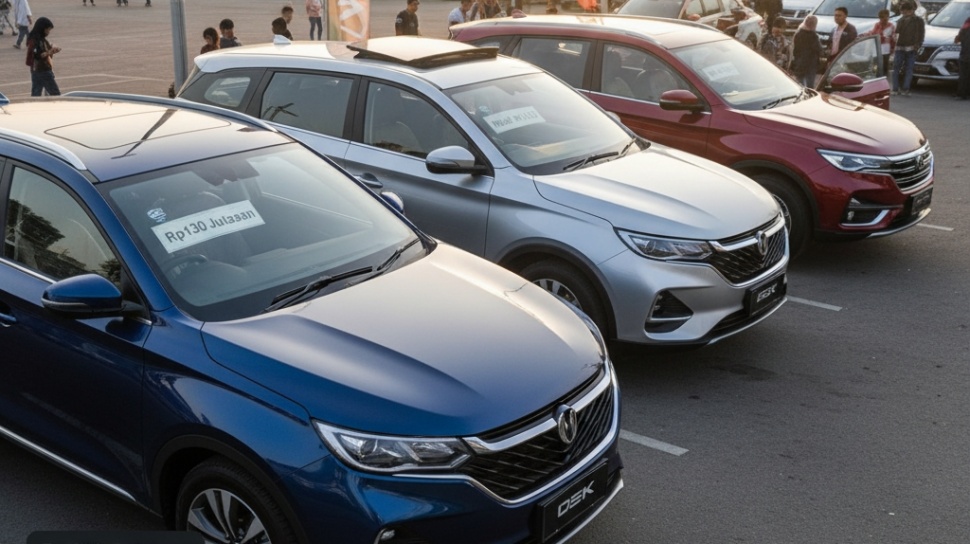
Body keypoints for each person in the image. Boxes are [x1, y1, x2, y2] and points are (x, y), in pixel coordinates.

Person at [892, 1, 924, 96]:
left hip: (911, 48)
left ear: (911, 10)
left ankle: (905, 88)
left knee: (908, 69)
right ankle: (895, 88)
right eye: (903, 11)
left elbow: (921, 34)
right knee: (897, 68)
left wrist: (918, 44)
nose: (904, 13)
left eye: (905, 11)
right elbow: (896, 33)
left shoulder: (918, 21)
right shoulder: (900, 20)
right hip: (900, 47)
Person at [27, 16, 60, 96]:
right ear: (42, 28)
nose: (48, 32)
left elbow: (46, 48)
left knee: (36, 94)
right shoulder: (36, 40)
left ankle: (35, 104)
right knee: (55, 93)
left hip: (36, 70)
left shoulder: (39, 39)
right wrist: (50, 52)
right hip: (42, 70)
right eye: (48, 29)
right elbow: (38, 55)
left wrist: (52, 49)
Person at [791, 14, 822, 88]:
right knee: (810, 85)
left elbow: (795, 49)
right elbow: (818, 49)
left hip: (800, 62)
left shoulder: (798, 34)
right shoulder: (814, 36)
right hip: (811, 63)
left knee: (800, 84)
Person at [863, 9, 895, 76]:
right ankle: (877, 76)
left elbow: (893, 38)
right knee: (876, 64)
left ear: (888, 17)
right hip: (877, 48)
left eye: (886, 17)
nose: (884, 19)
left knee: (885, 65)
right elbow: (873, 33)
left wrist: (892, 48)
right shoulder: (877, 25)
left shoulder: (891, 26)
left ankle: (884, 77)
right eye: (882, 17)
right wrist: (866, 34)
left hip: (886, 49)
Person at [954, 16, 970, 100]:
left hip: (964, 54)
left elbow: (957, 40)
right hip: (965, 54)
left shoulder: (965, 26)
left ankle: (961, 94)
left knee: (963, 75)